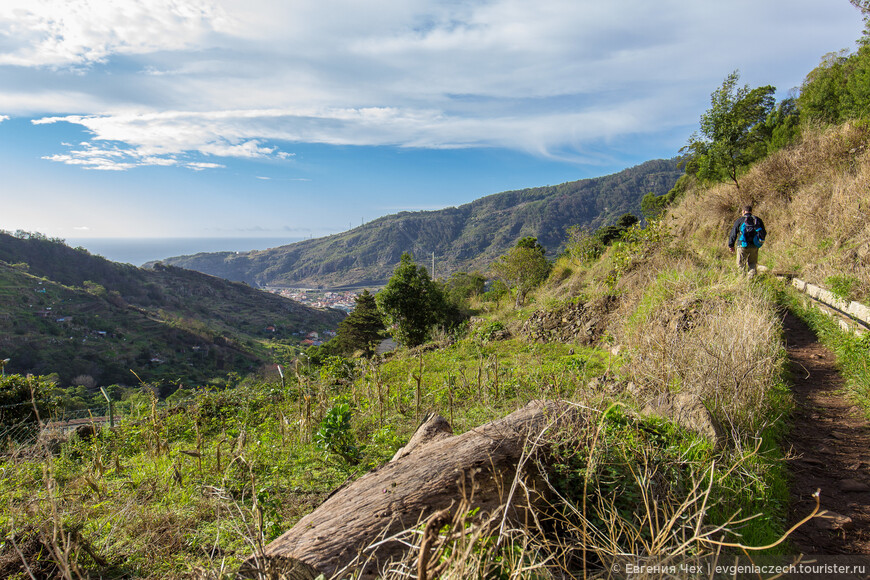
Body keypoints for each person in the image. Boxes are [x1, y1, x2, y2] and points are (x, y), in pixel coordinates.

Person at [727, 205, 766, 277]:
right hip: (754, 246)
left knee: (741, 265)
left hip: (742, 245)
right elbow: (764, 232)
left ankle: (742, 282)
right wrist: (758, 242)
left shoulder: (740, 220)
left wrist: (731, 245)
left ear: (743, 211)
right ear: (751, 211)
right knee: (752, 264)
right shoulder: (757, 220)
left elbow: (733, 233)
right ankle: (751, 280)